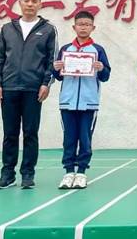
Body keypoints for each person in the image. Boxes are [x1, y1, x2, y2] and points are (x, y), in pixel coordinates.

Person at [0, 0, 58, 189]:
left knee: (30, 133)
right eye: (26, 0)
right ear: (20, 3)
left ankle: (28, 174)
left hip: (33, 89)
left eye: (34, 1)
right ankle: (7, 174)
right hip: (9, 88)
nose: (30, 4)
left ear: (40, 4)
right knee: (10, 134)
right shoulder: (7, 28)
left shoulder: (48, 30)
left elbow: (52, 60)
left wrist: (46, 83)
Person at [52, 11, 111, 189]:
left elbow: (106, 76)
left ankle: (82, 172)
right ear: (74, 27)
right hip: (67, 102)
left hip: (89, 102)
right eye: (80, 24)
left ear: (93, 27)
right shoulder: (65, 50)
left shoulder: (98, 50)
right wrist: (56, 68)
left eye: (87, 24)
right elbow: (58, 76)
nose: (83, 27)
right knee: (69, 138)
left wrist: (101, 68)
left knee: (85, 138)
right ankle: (69, 171)